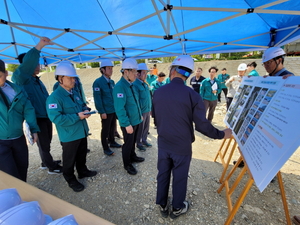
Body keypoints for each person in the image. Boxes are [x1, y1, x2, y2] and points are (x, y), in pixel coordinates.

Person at [152, 55, 232, 219]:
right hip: (182, 146)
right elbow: (202, 125)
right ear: (187, 74)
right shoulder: (193, 95)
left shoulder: (158, 92)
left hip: (163, 142)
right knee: (179, 177)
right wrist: (222, 134)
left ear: (172, 70)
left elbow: (155, 116)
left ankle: (162, 204)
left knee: (163, 173)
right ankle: (177, 208)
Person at [12, 37, 62, 174]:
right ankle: (51, 167)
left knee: (47, 141)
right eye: (35, 63)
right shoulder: (22, 80)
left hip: (45, 115)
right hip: (36, 117)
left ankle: (45, 161)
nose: (38, 65)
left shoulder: (37, 80)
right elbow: (23, 70)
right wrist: (39, 47)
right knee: (43, 143)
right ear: (27, 66)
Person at [46, 61, 97, 192]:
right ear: (60, 79)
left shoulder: (74, 93)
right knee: (69, 160)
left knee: (81, 154)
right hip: (69, 135)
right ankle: (70, 178)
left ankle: (82, 171)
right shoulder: (54, 98)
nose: (73, 80)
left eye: (74, 77)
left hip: (81, 131)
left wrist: (85, 109)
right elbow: (56, 118)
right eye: (70, 78)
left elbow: (79, 105)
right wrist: (77, 116)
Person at [0, 59, 39, 182]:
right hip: (1, 142)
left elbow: (28, 109)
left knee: (22, 167)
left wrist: (33, 129)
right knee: (10, 173)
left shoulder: (17, 90)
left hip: (18, 138)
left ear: (6, 73)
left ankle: (23, 193)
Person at [113, 58, 145, 175]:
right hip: (128, 123)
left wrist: (139, 116)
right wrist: (126, 124)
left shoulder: (131, 85)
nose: (136, 74)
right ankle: (127, 164)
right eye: (134, 71)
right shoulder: (120, 87)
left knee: (132, 142)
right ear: (126, 72)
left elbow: (135, 102)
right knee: (127, 144)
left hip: (135, 120)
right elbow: (119, 108)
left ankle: (133, 156)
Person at [93, 60, 122, 156]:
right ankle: (105, 147)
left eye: (111, 68)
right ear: (102, 69)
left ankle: (112, 141)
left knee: (113, 127)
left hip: (113, 109)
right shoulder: (98, 82)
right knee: (105, 129)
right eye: (109, 68)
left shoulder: (112, 82)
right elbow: (98, 99)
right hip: (105, 111)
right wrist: (102, 111)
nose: (111, 70)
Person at [133, 63, 152, 151]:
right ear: (138, 73)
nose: (146, 75)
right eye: (144, 73)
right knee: (140, 128)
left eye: (146, 73)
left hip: (147, 110)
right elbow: (136, 100)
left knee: (146, 127)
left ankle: (144, 140)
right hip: (141, 111)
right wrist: (139, 112)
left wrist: (150, 109)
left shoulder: (145, 84)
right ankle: (139, 143)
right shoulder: (135, 84)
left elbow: (148, 97)